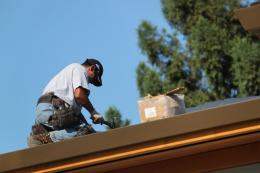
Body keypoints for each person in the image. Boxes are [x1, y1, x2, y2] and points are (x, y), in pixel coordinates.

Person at [28, 58, 104, 147]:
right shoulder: (79, 69)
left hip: (45, 109)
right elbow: (80, 96)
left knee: (84, 133)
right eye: (91, 80)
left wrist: (90, 130)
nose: (88, 83)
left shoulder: (69, 78)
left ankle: (41, 134)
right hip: (53, 108)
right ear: (92, 68)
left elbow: (77, 115)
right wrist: (93, 112)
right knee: (85, 133)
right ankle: (42, 139)